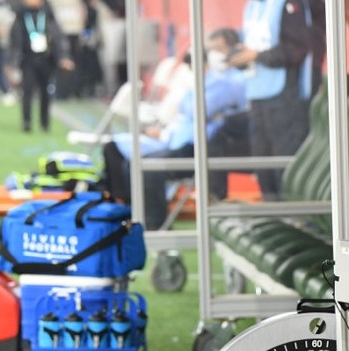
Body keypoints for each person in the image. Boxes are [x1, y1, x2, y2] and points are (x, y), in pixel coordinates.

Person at [102, 28, 248, 230]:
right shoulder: (208, 79)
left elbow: (198, 108)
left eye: (218, 49)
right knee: (124, 158)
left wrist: (194, 105)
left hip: (200, 147)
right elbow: (188, 107)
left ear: (233, 50)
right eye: (211, 49)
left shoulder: (231, 81)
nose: (212, 55)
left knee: (147, 169)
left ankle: (157, 230)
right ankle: (130, 214)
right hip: (180, 139)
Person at [229, 0, 313, 201]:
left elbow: (295, 51)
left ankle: (292, 215)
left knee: (284, 159)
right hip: (257, 94)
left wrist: (257, 56)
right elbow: (250, 45)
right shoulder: (251, 7)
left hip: (284, 94)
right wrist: (237, 57)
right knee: (262, 158)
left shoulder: (288, 4)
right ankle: (272, 210)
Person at [6, 0, 73, 132]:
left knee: (46, 93)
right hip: (28, 60)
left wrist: (63, 57)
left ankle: (45, 123)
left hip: (46, 59)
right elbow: (14, 42)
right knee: (27, 92)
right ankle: (26, 122)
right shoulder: (20, 17)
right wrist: (11, 62)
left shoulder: (48, 15)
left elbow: (58, 38)